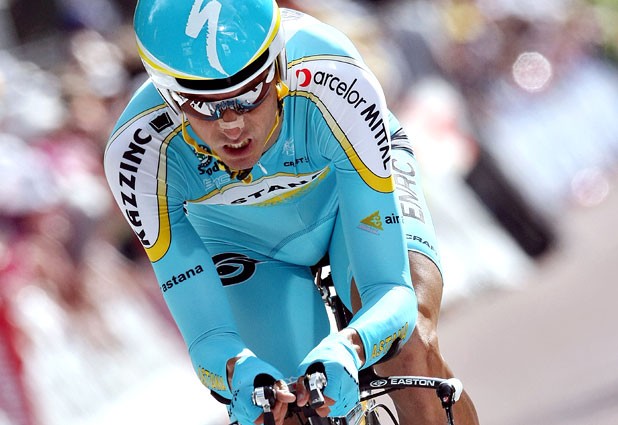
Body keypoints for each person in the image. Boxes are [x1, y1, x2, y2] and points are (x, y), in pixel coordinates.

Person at [103, 1, 479, 424]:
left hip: (347, 203)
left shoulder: (331, 72)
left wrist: (352, 347)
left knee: (408, 347)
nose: (232, 125)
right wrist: (239, 372)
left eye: (249, 95)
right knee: (275, 407)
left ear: (278, 67)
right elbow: (209, 337)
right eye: (203, 106)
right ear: (169, 96)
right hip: (244, 244)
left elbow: (389, 289)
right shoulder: (137, 154)